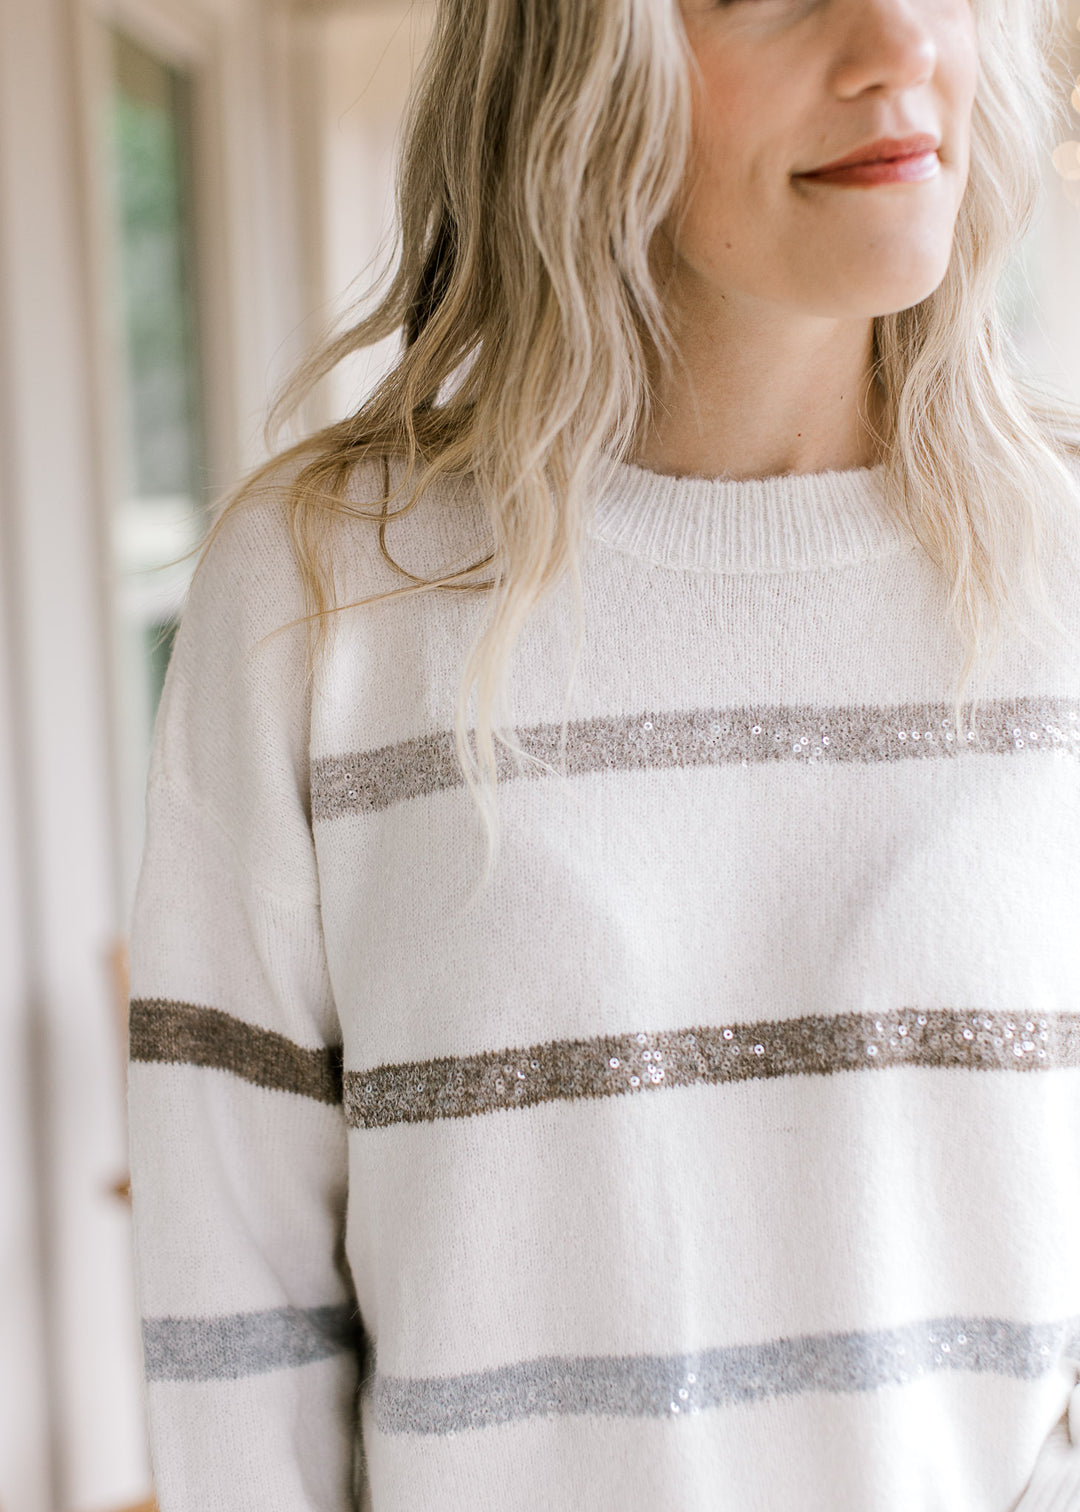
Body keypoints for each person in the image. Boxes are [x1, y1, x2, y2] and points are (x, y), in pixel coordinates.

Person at [125, 0, 1080, 1507]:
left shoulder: (1064, 577)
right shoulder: (323, 590)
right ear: (570, 50)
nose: (900, 39)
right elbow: (236, 1310)